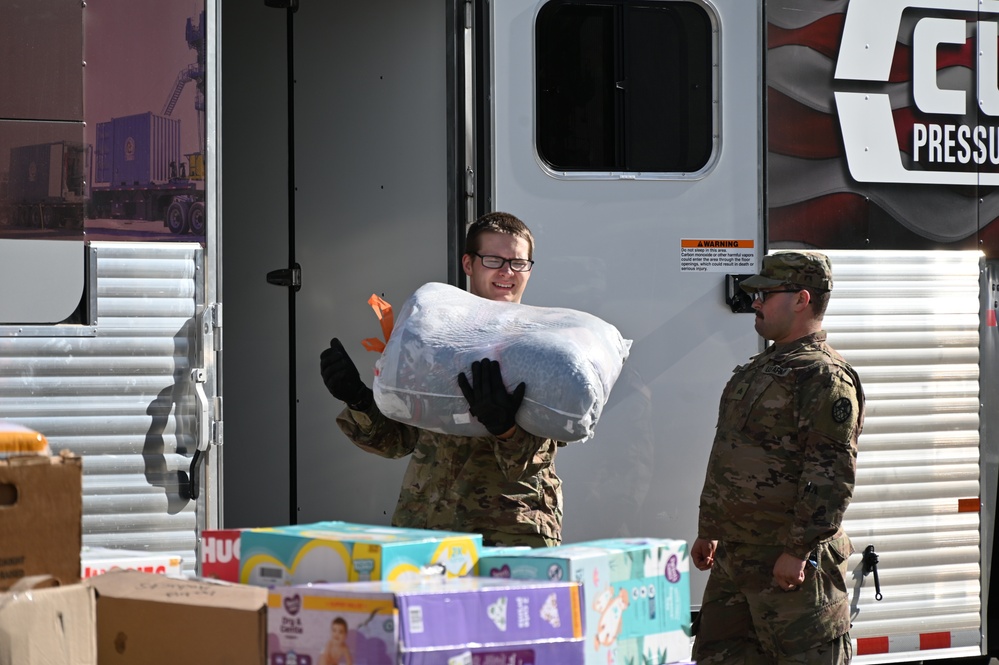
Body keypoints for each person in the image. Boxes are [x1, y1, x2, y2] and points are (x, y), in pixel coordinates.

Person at [319, 212, 564, 547]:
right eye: (493, 259)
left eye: (518, 262)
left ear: (529, 269)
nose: (507, 271)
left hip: (507, 535)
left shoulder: (541, 346)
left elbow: (533, 462)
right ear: (469, 263)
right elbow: (398, 441)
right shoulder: (434, 340)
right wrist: (358, 398)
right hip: (426, 531)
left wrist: (506, 428)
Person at [691, 251, 865, 664]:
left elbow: (830, 474)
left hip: (789, 570)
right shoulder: (761, 368)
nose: (754, 302)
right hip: (737, 558)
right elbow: (730, 455)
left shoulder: (824, 377)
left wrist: (799, 551)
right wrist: (711, 528)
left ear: (802, 299)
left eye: (766, 294)